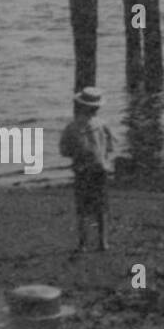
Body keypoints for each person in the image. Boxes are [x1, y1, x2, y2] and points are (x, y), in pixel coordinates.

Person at [58, 87, 116, 253]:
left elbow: (64, 151)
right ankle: (103, 242)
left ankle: (83, 243)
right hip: (100, 170)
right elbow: (111, 147)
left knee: (82, 208)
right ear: (97, 107)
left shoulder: (72, 127)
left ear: (80, 105)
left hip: (82, 170)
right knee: (102, 208)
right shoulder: (103, 125)